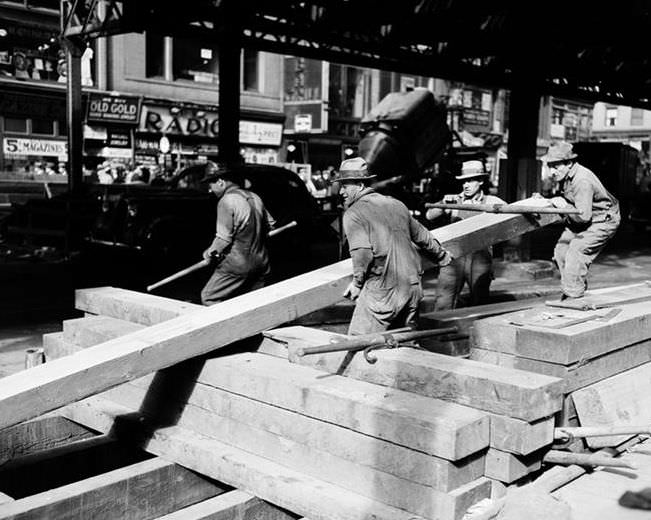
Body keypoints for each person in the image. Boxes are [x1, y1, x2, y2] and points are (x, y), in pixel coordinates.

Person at [335, 157, 452, 335]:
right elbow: (423, 236)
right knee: (402, 347)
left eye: (345, 186)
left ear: (359, 185)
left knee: (359, 345)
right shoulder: (396, 204)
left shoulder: (354, 213)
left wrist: (357, 284)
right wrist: (442, 256)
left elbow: (362, 254)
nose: (341, 191)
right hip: (412, 288)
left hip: (384, 292)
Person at [543, 141, 620, 300]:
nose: (552, 171)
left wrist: (563, 206)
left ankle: (573, 296)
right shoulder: (567, 175)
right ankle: (575, 289)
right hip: (584, 218)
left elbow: (583, 216)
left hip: (602, 220)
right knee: (561, 251)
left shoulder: (581, 180)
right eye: (549, 166)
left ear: (569, 163)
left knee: (577, 249)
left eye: (555, 166)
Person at [425, 160, 505, 310]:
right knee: (443, 300)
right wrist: (443, 204)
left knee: (479, 301)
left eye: (470, 181)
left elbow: (513, 214)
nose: (466, 185)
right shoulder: (454, 200)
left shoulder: (492, 201)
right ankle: (439, 331)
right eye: (464, 182)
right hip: (453, 258)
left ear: (481, 181)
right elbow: (429, 215)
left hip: (480, 258)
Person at [199, 165, 276, 305]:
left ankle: (228, 326)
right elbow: (270, 225)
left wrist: (209, 253)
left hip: (238, 264)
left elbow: (223, 239)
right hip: (261, 263)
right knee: (252, 303)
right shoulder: (254, 196)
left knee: (209, 297)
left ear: (220, 181)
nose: (210, 190)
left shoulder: (226, 201)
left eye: (211, 185)